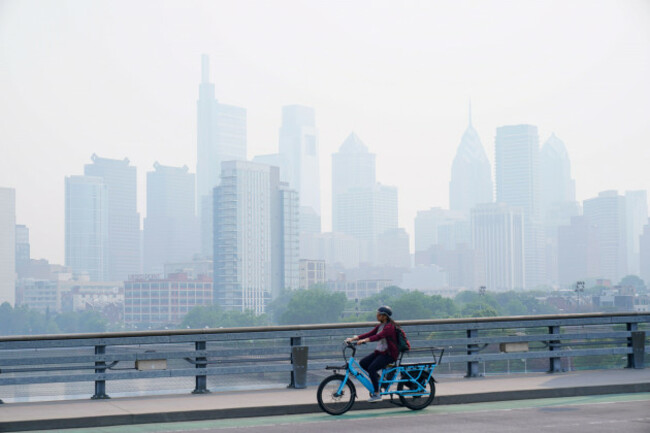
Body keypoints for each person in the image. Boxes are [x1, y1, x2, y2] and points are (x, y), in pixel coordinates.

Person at [345, 306, 398, 402]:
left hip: (389, 355)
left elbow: (378, 336)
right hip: (380, 352)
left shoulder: (389, 327)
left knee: (372, 368)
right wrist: (354, 338)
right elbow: (370, 333)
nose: (377, 315)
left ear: (384, 316)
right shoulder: (380, 326)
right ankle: (379, 380)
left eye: (379, 314)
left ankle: (377, 394)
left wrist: (364, 340)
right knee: (363, 363)